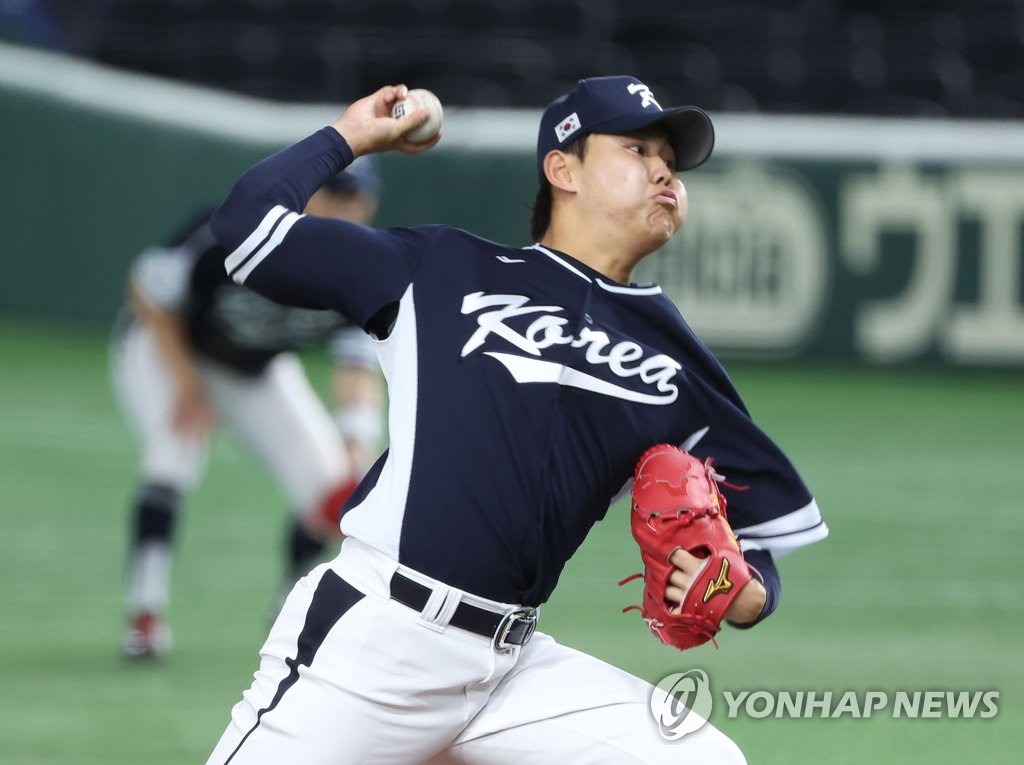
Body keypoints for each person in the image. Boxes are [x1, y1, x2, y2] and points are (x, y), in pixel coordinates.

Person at [204, 77, 829, 763]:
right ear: (562, 168)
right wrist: (352, 137)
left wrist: (746, 594)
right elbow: (246, 228)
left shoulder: (674, 358)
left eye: (670, 161)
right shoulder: (442, 268)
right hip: (377, 639)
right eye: (636, 148)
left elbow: (760, 532)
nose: (662, 170)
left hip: (510, 670)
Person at [110, 157, 385, 659]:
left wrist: (356, 446)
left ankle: (287, 613)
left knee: (335, 488)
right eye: (334, 193)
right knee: (174, 452)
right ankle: (144, 616)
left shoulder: (363, 270)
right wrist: (187, 383)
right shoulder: (241, 229)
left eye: (355, 197)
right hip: (167, 347)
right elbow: (148, 290)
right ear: (307, 193)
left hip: (256, 368)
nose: (345, 207)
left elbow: (356, 369)